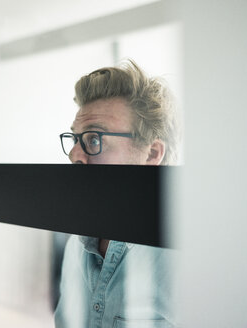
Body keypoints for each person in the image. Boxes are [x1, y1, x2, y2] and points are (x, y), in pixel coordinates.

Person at [54, 60, 180, 328]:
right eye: (75, 139)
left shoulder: (186, 258)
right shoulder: (76, 245)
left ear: (152, 154)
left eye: (94, 140)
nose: (74, 155)